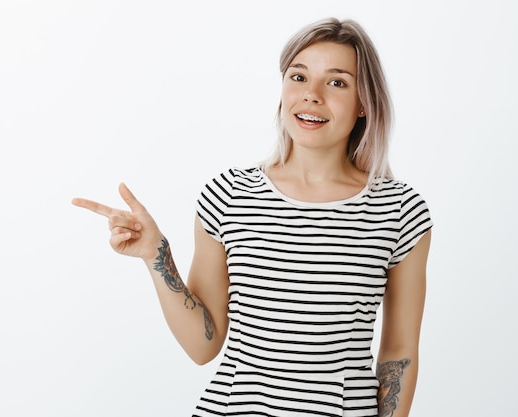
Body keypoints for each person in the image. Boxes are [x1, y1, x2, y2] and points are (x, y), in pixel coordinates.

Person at [72, 17, 432, 417]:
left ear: (364, 102)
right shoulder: (228, 195)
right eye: (298, 77)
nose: (311, 95)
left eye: (336, 82)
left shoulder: (399, 210)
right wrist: (157, 256)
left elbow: (399, 353)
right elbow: (203, 346)